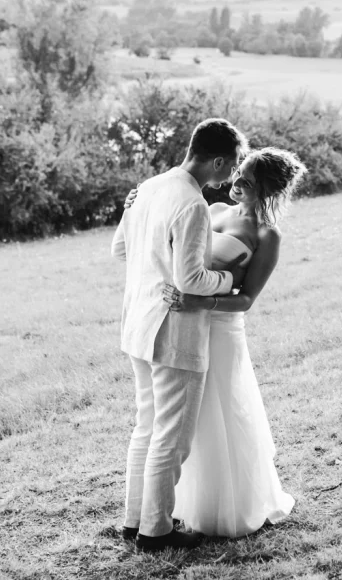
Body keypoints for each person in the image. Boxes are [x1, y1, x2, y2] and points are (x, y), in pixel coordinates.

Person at [123, 146, 307, 538]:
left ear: (268, 190)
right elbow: (178, 249)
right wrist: (136, 207)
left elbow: (246, 299)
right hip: (183, 323)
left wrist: (204, 300)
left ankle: (227, 505)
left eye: (248, 181)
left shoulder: (267, 236)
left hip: (222, 329)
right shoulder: (212, 209)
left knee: (222, 414)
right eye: (238, 172)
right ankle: (176, 505)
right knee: (185, 424)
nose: (236, 182)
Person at [110, 118, 249, 552]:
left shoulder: (148, 187)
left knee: (146, 427)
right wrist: (228, 282)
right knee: (171, 435)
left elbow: (120, 249)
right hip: (173, 331)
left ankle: (134, 522)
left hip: (137, 323)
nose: (233, 175)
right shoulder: (191, 204)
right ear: (219, 161)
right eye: (234, 165)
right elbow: (191, 280)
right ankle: (156, 532)